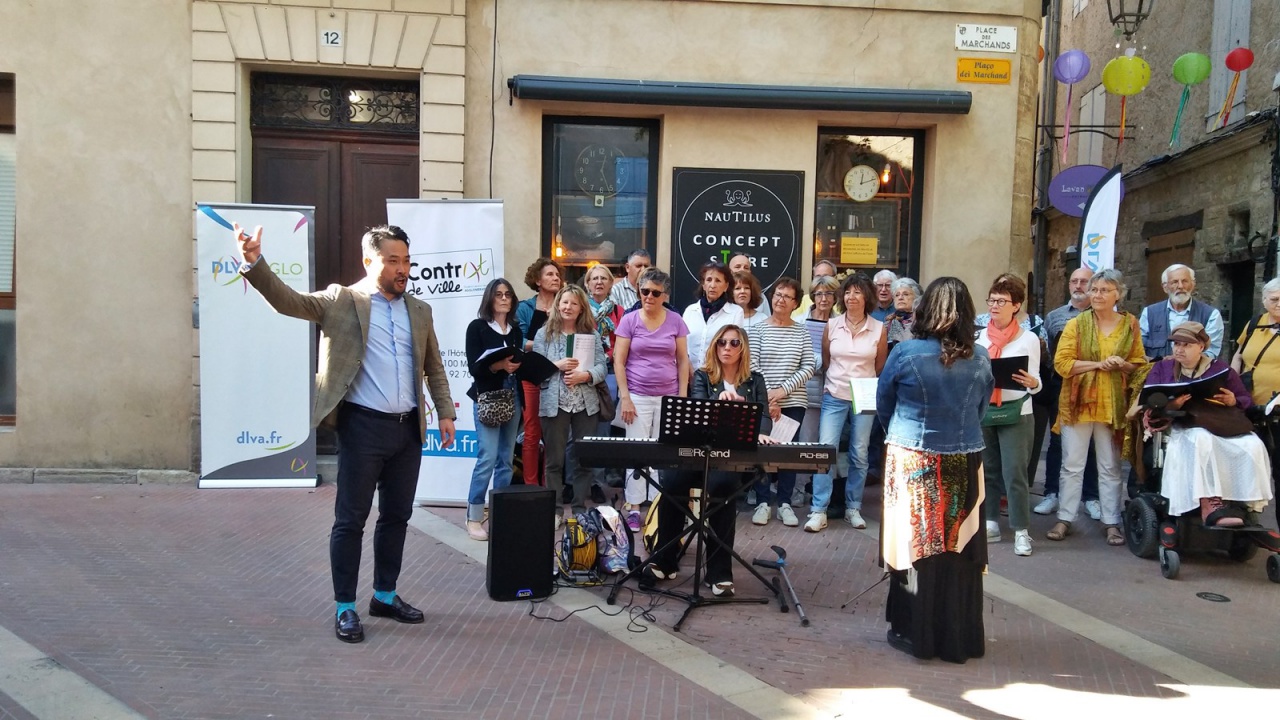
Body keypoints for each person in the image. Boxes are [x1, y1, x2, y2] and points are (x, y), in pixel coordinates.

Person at [233, 222, 455, 644]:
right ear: (369, 261)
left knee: (397, 517)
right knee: (351, 520)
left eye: (407, 261)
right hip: (362, 428)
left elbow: (434, 366)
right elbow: (289, 302)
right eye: (393, 261)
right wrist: (255, 263)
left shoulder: (420, 310)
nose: (403, 269)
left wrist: (445, 411)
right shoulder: (342, 300)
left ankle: (384, 596)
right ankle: (345, 606)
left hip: (407, 431)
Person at [878, 276, 994, 664]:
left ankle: (916, 632)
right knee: (958, 548)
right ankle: (958, 635)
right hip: (963, 458)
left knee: (914, 545)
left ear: (925, 309)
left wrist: (902, 433)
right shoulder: (980, 357)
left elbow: (884, 404)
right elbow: (980, 410)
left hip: (912, 457)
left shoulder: (905, 352)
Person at [645, 324, 776, 597]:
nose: (727, 348)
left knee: (723, 488)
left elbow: (764, 416)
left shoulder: (755, 380)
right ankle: (665, 560)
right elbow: (697, 410)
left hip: (730, 458)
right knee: (671, 482)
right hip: (699, 455)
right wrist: (721, 400)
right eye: (721, 343)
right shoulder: (703, 376)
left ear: (743, 349)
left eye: (734, 343)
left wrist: (761, 431)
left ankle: (719, 572)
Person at [1140, 322, 1272, 525]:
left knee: (1252, 443)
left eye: (1186, 345)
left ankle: (1241, 501)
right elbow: (1149, 401)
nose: (1179, 349)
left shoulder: (1221, 369)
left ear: (1201, 347)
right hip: (1183, 425)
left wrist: (1233, 400)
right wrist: (1172, 404)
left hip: (1218, 421)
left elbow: (1245, 399)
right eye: (1177, 344)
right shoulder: (1162, 368)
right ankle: (1208, 503)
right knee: (1201, 440)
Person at [1049, 268, 1146, 546]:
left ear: (1118, 294)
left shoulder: (1130, 324)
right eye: (1094, 290)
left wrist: (1123, 364)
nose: (1097, 295)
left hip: (1112, 405)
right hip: (1077, 403)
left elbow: (1139, 364)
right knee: (1072, 464)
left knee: (1110, 466)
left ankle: (1111, 522)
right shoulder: (1077, 324)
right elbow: (1062, 364)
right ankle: (1065, 517)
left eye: (1104, 290)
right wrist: (1099, 364)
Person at [806, 273, 887, 532]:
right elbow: (827, 360)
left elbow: (879, 365)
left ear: (867, 296)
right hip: (834, 393)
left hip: (864, 396)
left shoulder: (879, 328)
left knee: (859, 453)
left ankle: (853, 507)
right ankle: (819, 509)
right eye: (848, 292)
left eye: (858, 292)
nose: (852, 297)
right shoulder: (832, 325)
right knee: (825, 450)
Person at [614, 268, 692, 529]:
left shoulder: (676, 320)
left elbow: (683, 360)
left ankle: (659, 507)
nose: (648, 296)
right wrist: (625, 397)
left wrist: (682, 398)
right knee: (637, 451)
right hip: (637, 395)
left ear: (664, 295)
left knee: (665, 453)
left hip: (669, 396)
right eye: (644, 291)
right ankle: (635, 507)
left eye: (655, 293)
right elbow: (619, 361)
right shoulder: (629, 320)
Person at [975, 274, 1041, 557]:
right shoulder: (978, 338)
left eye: (1002, 301)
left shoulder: (1029, 338)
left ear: (1016, 306)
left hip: (1017, 409)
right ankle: (990, 522)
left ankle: (1021, 530)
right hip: (984, 409)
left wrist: (1033, 383)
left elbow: (1036, 381)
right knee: (987, 468)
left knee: (1015, 471)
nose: (994, 306)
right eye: (992, 300)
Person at [534, 285, 608, 526]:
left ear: (581, 308)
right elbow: (535, 371)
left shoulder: (591, 335)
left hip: (585, 405)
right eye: (564, 302)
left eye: (574, 303)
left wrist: (585, 376)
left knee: (582, 460)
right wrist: (558, 365)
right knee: (554, 461)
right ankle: (555, 511)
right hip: (554, 405)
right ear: (557, 305)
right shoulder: (544, 334)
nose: (568, 307)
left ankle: (578, 510)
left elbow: (602, 367)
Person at [748, 277, 815, 526]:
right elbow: (753, 366)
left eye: (787, 296)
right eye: (778, 294)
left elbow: (809, 366)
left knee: (787, 452)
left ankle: (785, 503)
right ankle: (763, 502)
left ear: (795, 303)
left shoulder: (802, 331)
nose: (781, 300)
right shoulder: (758, 329)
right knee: (762, 450)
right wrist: (768, 399)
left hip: (793, 402)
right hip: (763, 401)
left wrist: (782, 391)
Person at [1037, 267, 1100, 517]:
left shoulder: (1104, 315)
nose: (1078, 285)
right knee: (1057, 440)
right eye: (1074, 281)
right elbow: (1047, 356)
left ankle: (1091, 497)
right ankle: (1051, 493)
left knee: (1092, 441)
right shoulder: (1054, 316)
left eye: (1084, 281)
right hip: (1062, 385)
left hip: (1095, 385)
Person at [463, 279, 524, 541]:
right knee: (487, 457)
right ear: (489, 298)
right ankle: (474, 516)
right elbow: (474, 368)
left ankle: (500, 513)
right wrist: (498, 366)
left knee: (506, 460)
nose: (504, 298)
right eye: (498, 294)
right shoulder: (477, 327)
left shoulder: (516, 330)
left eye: (508, 294)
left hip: (513, 396)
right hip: (488, 397)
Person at [1230, 278, 1280, 526]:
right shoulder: (1254, 324)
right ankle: (1244, 522)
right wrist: (1232, 384)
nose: (1279, 304)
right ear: (1264, 300)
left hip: (1277, 411)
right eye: (1275, 299)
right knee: (1245, 465)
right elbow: (1239, 357)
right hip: (1249, 408)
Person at [515, 258, 563, 487]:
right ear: (537, 280)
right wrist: (544, 345)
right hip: (532, 373)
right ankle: (531, 487)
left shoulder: (565, 305)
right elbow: (519, 340)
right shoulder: (525, 308)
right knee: (532, 431)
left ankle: (550, 487)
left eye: (557, 275)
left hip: (557, 374)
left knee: (553, 435)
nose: (556, 278)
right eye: (550, 274)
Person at [796, 274, 841, 509]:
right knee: (806, 443)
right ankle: (798, 489)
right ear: (813, 296)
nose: (824, 299)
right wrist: (820, 361)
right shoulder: (801, 322)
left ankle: (824, 495)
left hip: (834, 391)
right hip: (807, 391)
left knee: (829, 445)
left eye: (829, 293)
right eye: (820, 294)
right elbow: (797, 358)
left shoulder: (841, 323)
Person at [583, 263, 626, 499]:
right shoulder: (579, 307)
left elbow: (622, 342)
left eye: (603, 278)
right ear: (587, 284)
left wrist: (607, 357)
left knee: (602, 429)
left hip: (609, 372)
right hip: (582, 372)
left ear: (611, 284)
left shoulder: (619, 312)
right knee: (577, 429)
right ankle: (575, 483)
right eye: (594, 278)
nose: (599, 282)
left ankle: (597, 483)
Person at [1139, 263, 1224, 361]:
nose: (1180, 286)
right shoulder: (1149, 313)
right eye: (1175, 282)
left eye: (1185, 281)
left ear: (1193, 284)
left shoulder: (1211, 315)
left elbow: (1211, 352)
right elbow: (1139, 350)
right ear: (1165, 287)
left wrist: (1181, 362)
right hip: (1157, 369)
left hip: (1193, 371)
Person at [682, 260, 745, 373]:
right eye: (709, 280)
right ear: (703, 285)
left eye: (718, 281)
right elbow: (681, 345)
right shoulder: (690, 311)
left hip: (718, 376)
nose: (712, 285)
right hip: (688, 375)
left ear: (726, 286)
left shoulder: (736, 313)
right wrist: (688, 369)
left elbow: (734, 349)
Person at [883, 277, 922, 349]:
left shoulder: (923, 323)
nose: (900, 298)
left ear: (916, 297)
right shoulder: (887, 325)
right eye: (897, 295)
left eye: (906, 294)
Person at [609, 248, 651, 312]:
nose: (643, 270)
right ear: (627, 267)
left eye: (646, 266)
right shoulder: (615, 291)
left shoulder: (654, 291)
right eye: (638, 266)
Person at [732, 270, 769, 335]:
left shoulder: (762, 319)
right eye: (737, 288)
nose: (742, 291)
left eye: (746, 288)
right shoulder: (725, 317)